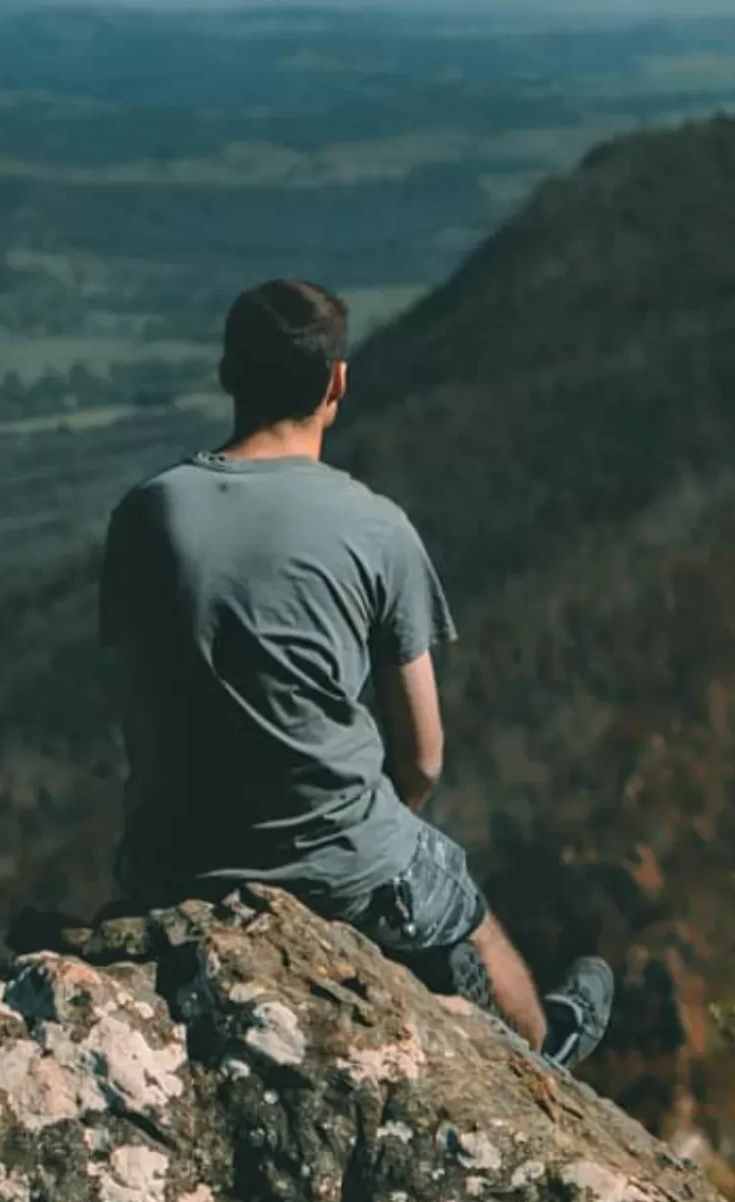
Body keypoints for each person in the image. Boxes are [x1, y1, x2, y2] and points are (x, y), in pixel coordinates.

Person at [98, 277, 613, 1069]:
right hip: (336, 860)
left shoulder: (145, 514)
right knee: (454, 887)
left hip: (169, 858)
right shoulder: (377, 529)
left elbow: (139, 701)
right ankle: (549, 1053)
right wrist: (370, 828)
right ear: (336, 383)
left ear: (228, 374)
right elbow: (423, 757)